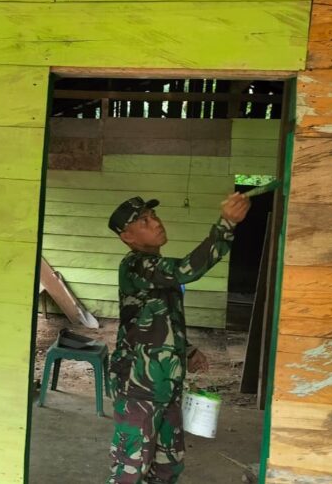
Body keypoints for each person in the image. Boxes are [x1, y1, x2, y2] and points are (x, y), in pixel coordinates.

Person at [106, 193, 250, 483]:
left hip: (166, 384)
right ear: (127, 237)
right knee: (130, 470)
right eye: (144, 221)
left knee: (167, 465)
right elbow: (187, 270)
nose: (156, 223)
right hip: (139, 386)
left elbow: (160, 319)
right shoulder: (136, 265)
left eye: (154, 216)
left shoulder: (157, 269)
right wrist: (225, 225)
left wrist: (187, 349)